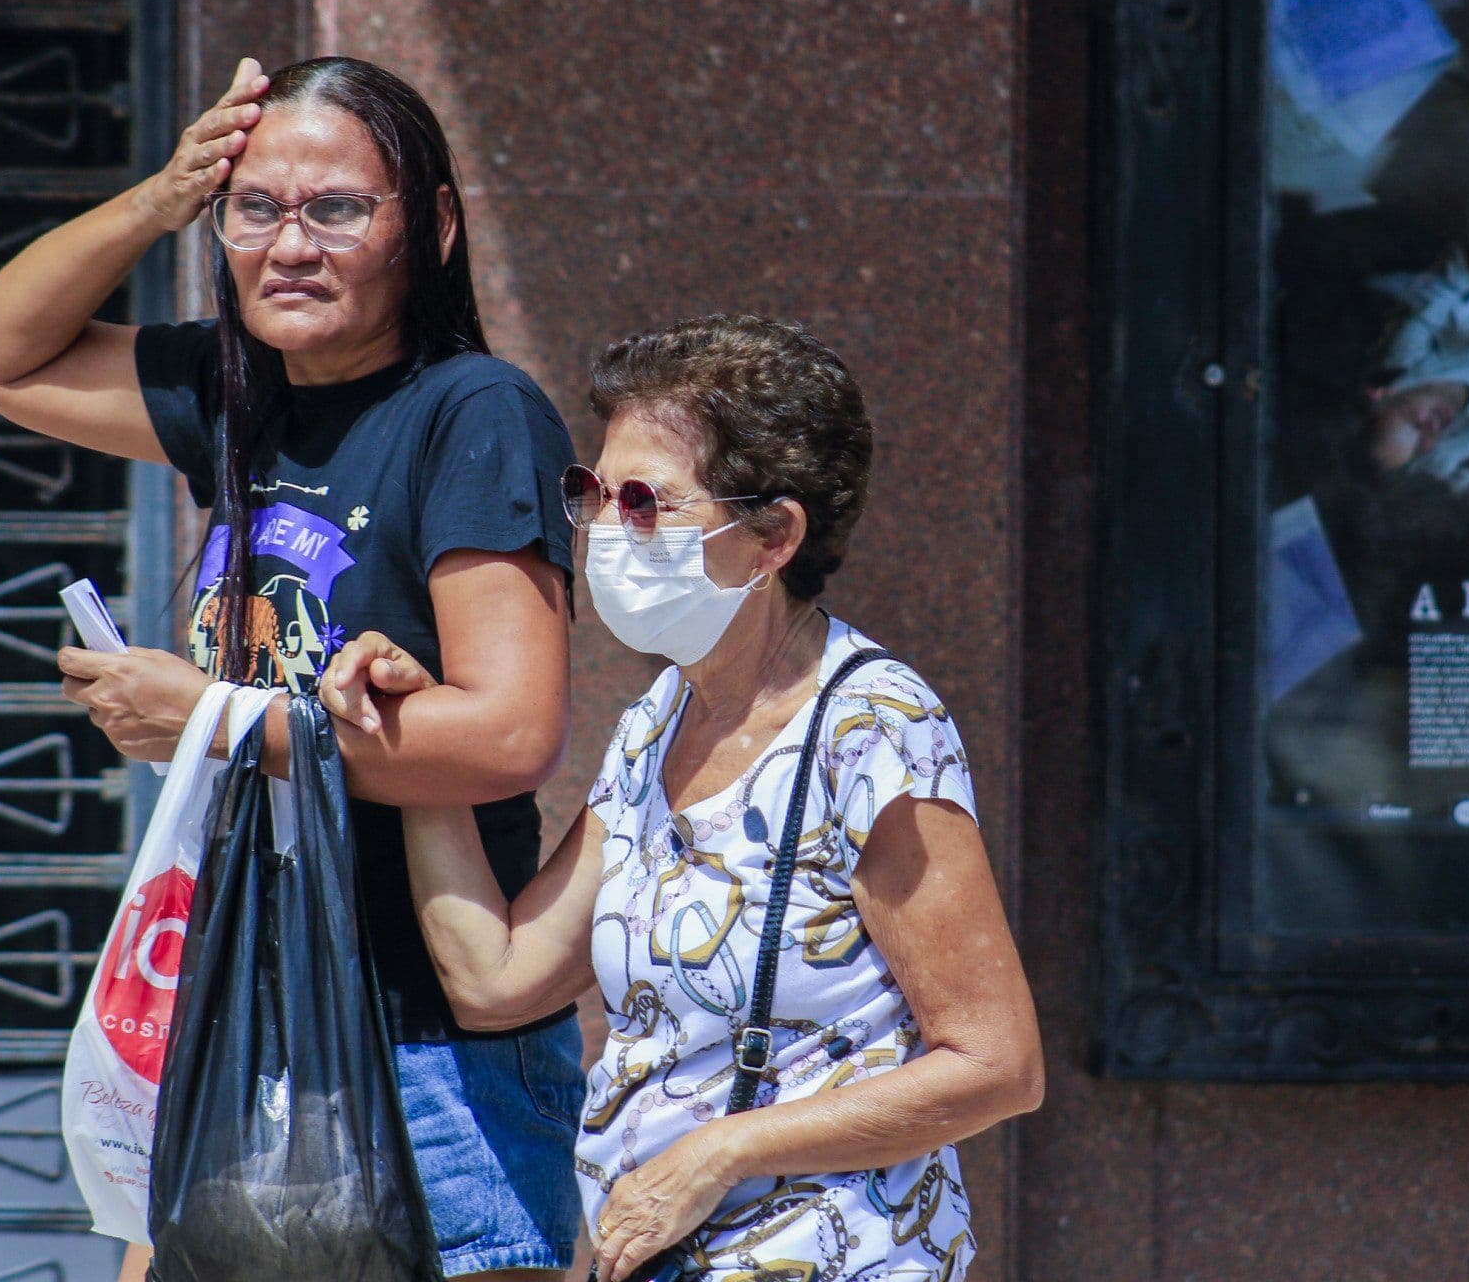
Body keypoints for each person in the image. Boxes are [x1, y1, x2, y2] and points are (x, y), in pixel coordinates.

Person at [0, 55, 585, 1282]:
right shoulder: (235, 395)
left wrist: (218, 717)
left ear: (434, 229)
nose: (291, 245)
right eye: (256, 209)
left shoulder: (475, 411)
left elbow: (510, 733)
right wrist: (160, 197)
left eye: (337, 209)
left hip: (422, 1050)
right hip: (234, 1010)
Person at [321, 315, 1044, 1282]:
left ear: (772, 538)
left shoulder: (873, 727)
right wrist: (417, 738)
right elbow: (498, 980)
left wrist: (721, 1151)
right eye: (596, 494)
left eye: (647, 502)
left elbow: (996, 1066)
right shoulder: (659, 720)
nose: (610, 531)